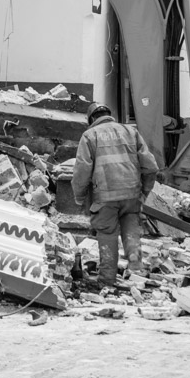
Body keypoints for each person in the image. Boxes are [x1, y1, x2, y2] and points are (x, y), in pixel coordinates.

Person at [71, 101, 159, 288]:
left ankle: (107, 280)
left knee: (107, 234)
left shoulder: (89, 136)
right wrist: (144, 192)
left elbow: (81, 171)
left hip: (105, 198)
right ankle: (136, 270)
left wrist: (79, 197)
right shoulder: (130, 131)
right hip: (131, 195)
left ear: (91, 119)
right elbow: (151, 167)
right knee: (131, 229)